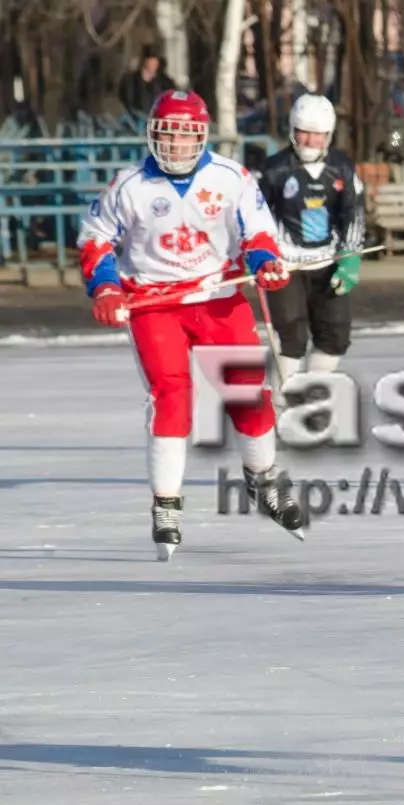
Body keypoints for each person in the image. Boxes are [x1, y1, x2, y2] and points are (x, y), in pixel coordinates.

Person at [77, 89, 304, 560]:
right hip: (155, 302)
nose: (177, 147)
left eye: (186, 138)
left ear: (200, 137)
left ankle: (262, 476)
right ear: (152, 135)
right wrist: (105, 287)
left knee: (247, 389)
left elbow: (257, 231)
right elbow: (96, 237)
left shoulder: (230, 177)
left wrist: (265, 261)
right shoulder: (130, 186)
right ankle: (167, 501)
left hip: (216, 294)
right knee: (172, 394)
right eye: (168, 136)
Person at [255, 93, 366, 387]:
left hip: (328, 262)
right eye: (303, 132)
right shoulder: (275, 169)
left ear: (328, 136)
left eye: (317, 134)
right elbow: (257, 216)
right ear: (292, 130)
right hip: (285, 265)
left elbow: (353, 216)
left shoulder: (342, 168)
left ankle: (309, 391)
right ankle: (281, 403)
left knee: (336, 335)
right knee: (291, 336)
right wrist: (258, 256)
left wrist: (350, 259)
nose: (309, 140)